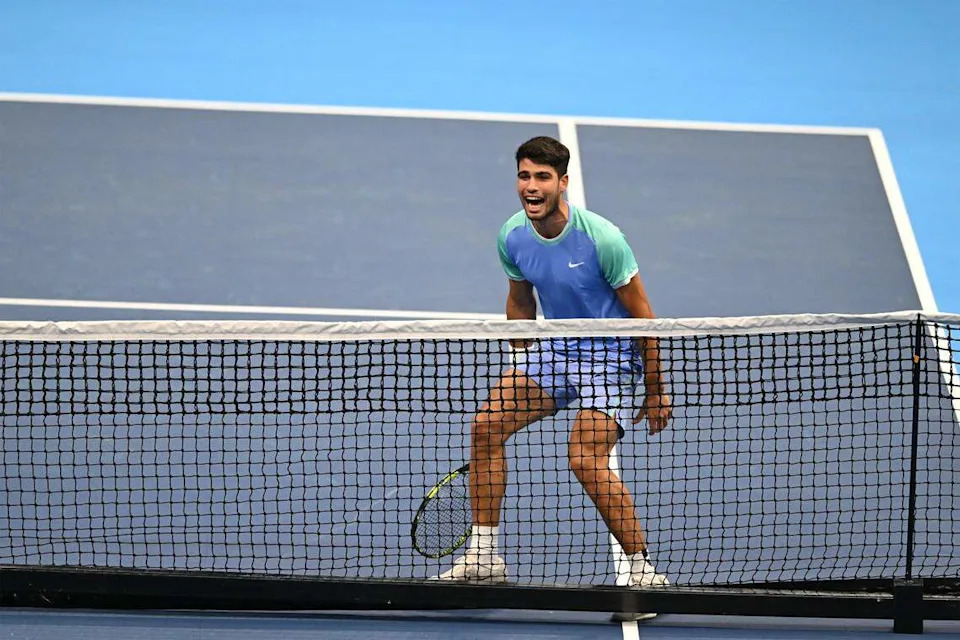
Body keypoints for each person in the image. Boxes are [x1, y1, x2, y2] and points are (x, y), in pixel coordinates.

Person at [438, 136, 672, 586]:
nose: (531, 186)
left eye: (542, 177)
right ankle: (484, 557)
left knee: (584, 458)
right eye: (524, 176)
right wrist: (519, 360)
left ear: (562, 182)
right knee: (486, 427)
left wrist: (656, 389)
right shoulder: (512, 235)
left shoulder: (603, 239)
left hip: (612, 356)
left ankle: (644, 572)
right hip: (557, 350)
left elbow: (644, 317)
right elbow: (520, 301)